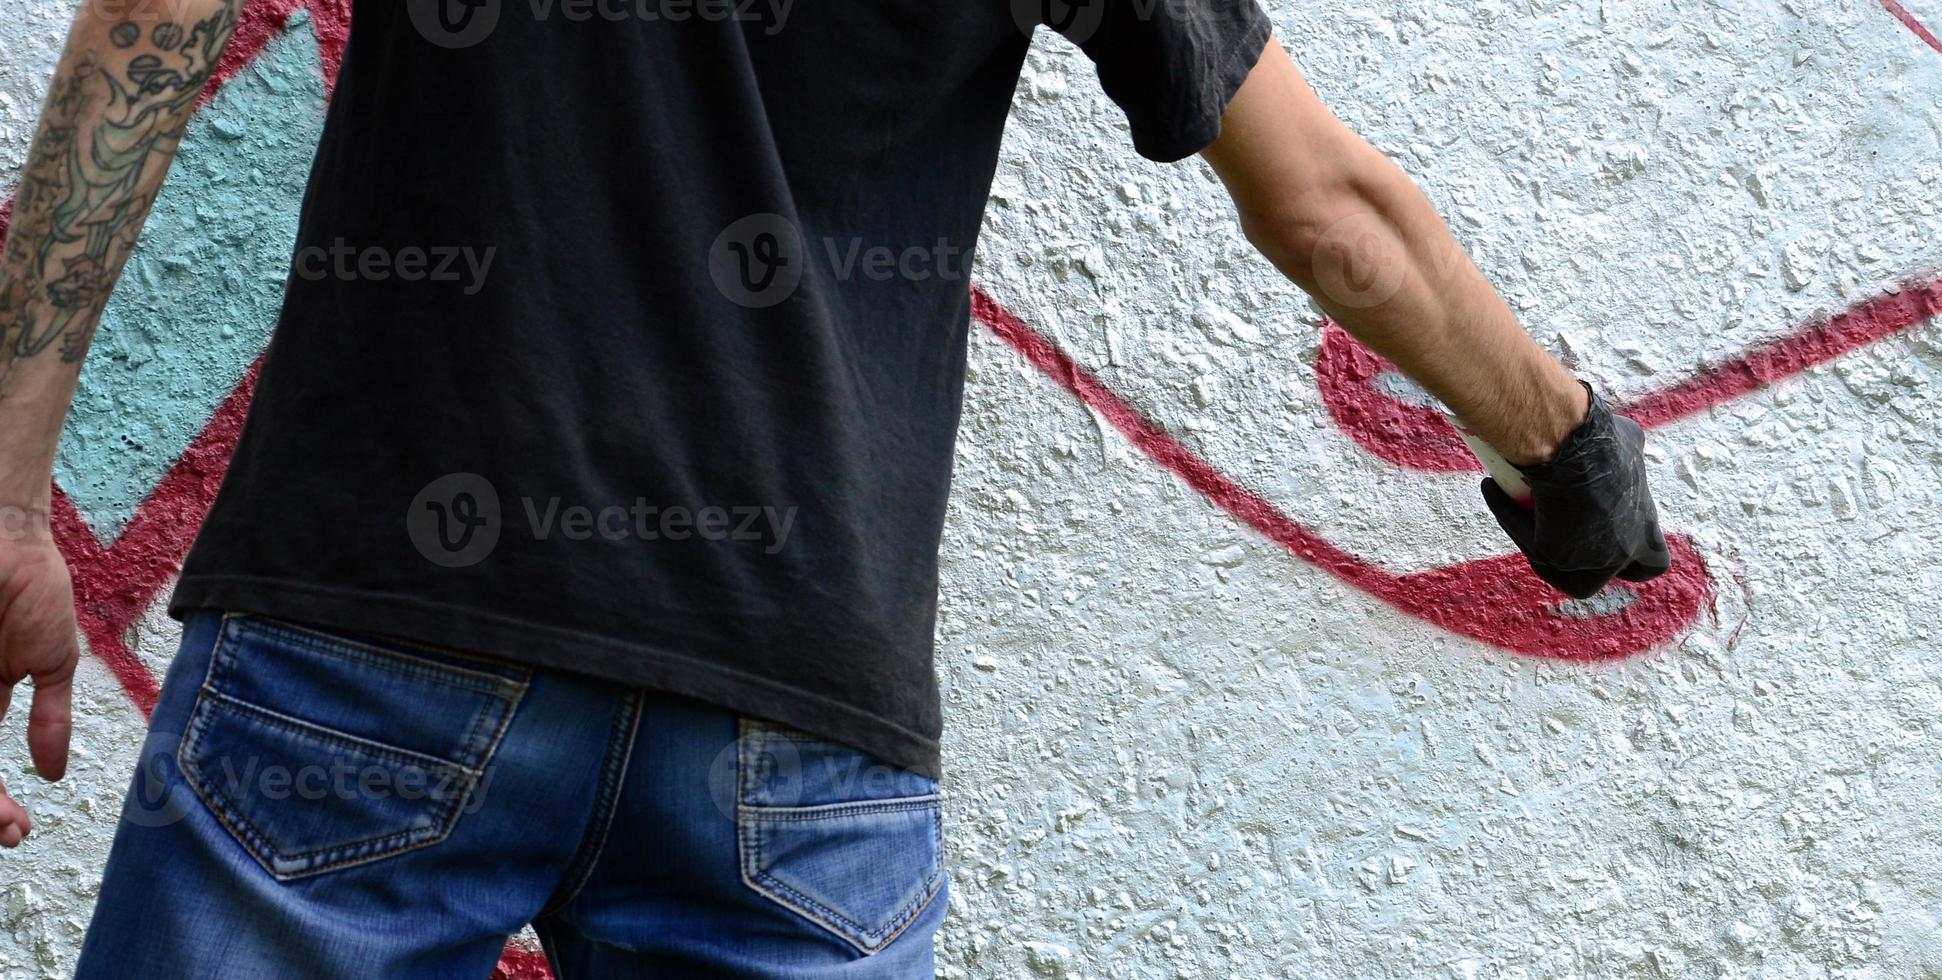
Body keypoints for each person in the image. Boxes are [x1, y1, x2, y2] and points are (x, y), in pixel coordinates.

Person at [0, 0, 1667, 975]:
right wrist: (1566, 451)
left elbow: (157, 18)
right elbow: (1329, 212)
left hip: (369, 651)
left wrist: (8, 503)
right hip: (796, 736)